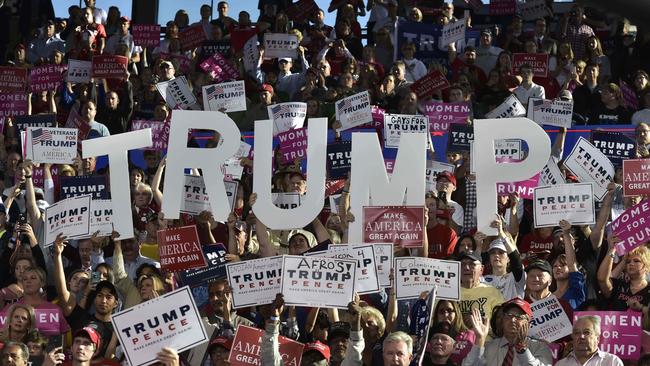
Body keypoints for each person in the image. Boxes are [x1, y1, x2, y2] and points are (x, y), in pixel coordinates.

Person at [463, 299, 552, 366]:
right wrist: (479, 339)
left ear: (529, 324)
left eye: (519, 317)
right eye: (509, 315)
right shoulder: (488, 346)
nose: (513, 320)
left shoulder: (540, 347)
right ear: (502, 320)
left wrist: (521, 348)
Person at [555, 316, 623, 366]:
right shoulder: (561, 364)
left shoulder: (612, 362)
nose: (581, 336)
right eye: (577, 333)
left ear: (598, 338)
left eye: (587, 332)